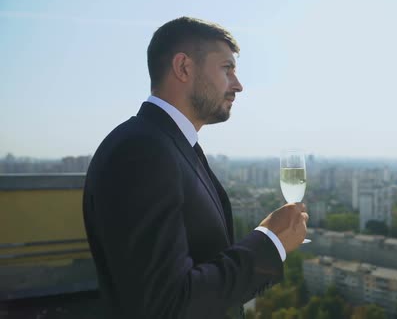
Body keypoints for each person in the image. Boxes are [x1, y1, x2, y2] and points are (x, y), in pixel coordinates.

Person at [82, 16, 309, 319]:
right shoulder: (142, 152)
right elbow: (166, 304)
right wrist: (270, 242)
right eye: (227, 69)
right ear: (184, 67)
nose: (238, 85)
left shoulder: (169, 145)